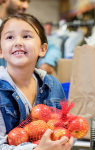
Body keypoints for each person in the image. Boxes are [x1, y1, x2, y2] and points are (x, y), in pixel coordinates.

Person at [0, 13, 73, 150]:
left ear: (42, 49)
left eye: (26, 36)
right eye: (10, 37)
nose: (18, 42)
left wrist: (67, 139)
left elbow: (63, 126)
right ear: (0, 51)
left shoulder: (52, 85)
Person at [0, 0, 31, 66]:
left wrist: (48, 62)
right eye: (22, 0)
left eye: (28, 2)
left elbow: (49, 46)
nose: (26, 6)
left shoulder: (26, 26)